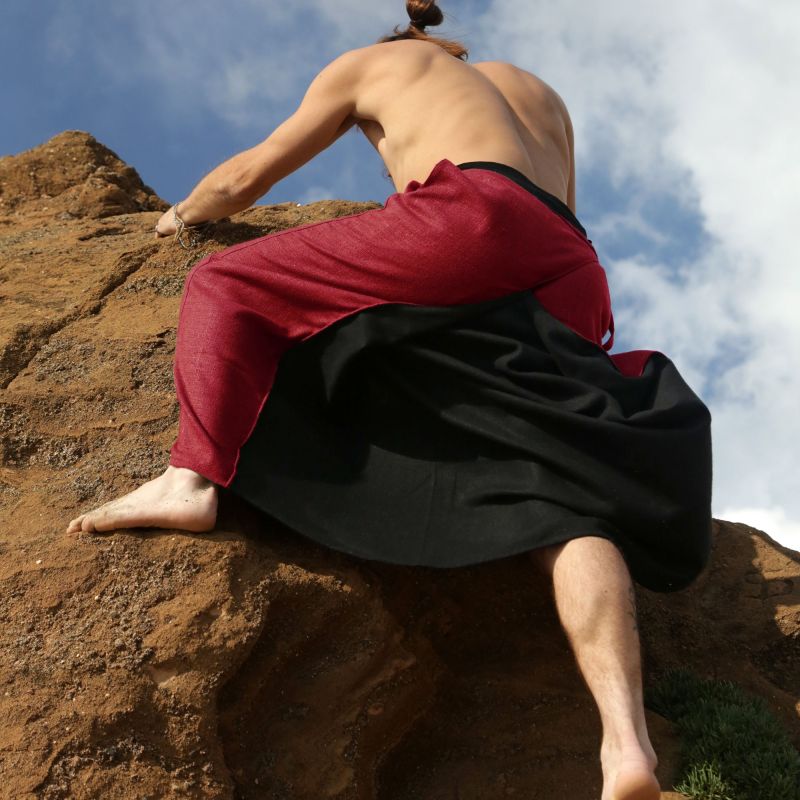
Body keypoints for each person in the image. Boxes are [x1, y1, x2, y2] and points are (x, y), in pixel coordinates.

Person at [65, 3, 713, 798]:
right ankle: (626, 747)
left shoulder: (372, 64)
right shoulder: (538, 93)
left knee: (222, 282)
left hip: (470, 219)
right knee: (563, 497)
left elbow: (246, 177)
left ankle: (189, 479)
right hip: (568, 266)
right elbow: (558, 217)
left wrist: (175, 217)